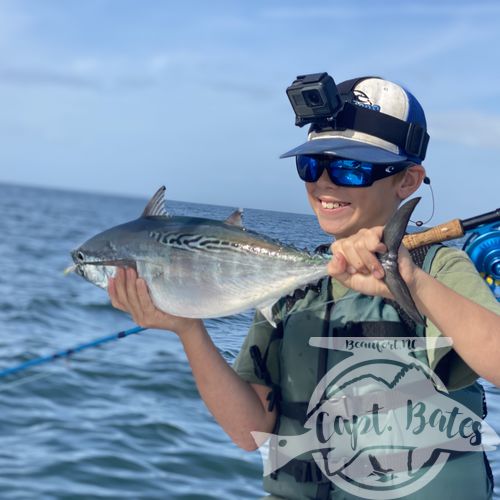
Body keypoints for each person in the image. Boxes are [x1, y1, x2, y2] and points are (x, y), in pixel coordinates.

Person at [107, 75, 500, 499]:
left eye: (351, 167)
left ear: (406, 181)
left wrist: (409, 279)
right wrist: (188, 329)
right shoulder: (291, 287)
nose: (325, 183)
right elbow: (250, 431)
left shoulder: (438, 269)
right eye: (311, 165)